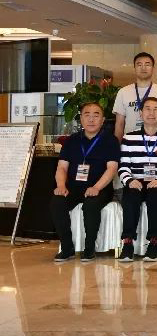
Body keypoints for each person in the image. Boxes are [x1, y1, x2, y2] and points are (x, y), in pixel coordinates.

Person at [51, 102, 120, 262]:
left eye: (96, 115)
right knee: (56, 202)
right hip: (74, 187)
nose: (91, 119)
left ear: (103, 120)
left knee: (91, 205)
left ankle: (89, 248)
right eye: (87, 115)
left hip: (100, 187)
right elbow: (62, 167)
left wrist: (96, 187)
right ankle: (67, 248)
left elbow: (112, 169)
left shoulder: (110, 140)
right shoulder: (72, 140)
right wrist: (61, 185)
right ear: (81, 118)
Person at [116, 96, 157, 262]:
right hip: (136, 181)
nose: (151, 113)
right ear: (140, 113)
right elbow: (123, 167)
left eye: (156, 109)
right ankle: (127, 243)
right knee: (130, 197)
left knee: (155, 196)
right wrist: (129, 180)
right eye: (147, 109)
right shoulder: (129, 138)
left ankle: (153, 243)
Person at [112, 52, 157, 141]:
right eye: (139, 65)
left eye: (147, 64)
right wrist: (118, 146)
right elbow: (119, 124)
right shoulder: (123, 92)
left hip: (155, 143)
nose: (143, 68)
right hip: (130, 143)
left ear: (153, 68)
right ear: (134, 68)